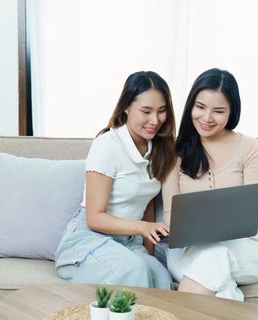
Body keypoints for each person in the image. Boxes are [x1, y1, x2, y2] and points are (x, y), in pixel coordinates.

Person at [55, 71, 176, 289]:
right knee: (133, 269)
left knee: (160, 277)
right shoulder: (107, 145)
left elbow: (146, 202)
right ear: (126, 107)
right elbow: (94, 218)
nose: (155, 120)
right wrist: (142, 228)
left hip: (128, 243)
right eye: (146, 111)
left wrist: (146, 253)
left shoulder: (159, 148)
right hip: (89, 239)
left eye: (162, 111)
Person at [161, 68, 258, 300]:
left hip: (245, 249)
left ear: (232, 112)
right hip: (188, 252)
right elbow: (171, 217)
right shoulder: (174, 152)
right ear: (190, 106)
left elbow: (252, 216)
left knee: (216, 256)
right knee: (215, 266)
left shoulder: (251, 148)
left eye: (219, 111)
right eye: (200, 107)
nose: (207, 118)